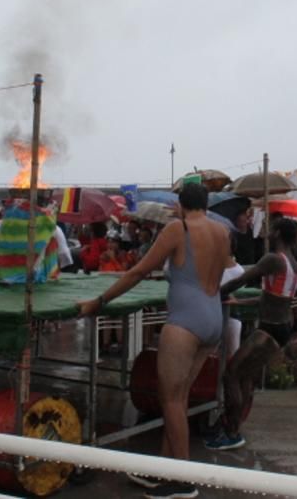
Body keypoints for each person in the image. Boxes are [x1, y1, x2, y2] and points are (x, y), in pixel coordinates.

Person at [77, 183, 229, 499]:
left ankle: (183, 481)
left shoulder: (178, 228)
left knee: (170, 399)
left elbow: (138, 272)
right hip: (214, 318)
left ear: (179, 204)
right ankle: (164, 469)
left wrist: (99, 302)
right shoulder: (221, 232)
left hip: (186, 321)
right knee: (178, 397)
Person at [206, 218, 297, 451]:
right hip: (281, 328)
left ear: (277, 233)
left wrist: (213, 293)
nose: (266, 232)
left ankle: (231, 432)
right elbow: (274, 298)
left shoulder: (272, 259)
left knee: (231, 374)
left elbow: (241, 280)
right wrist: (241, 301)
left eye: (270, 228)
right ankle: (234, 424)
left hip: (269, 329)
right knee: (245, 376)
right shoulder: (292, 263)